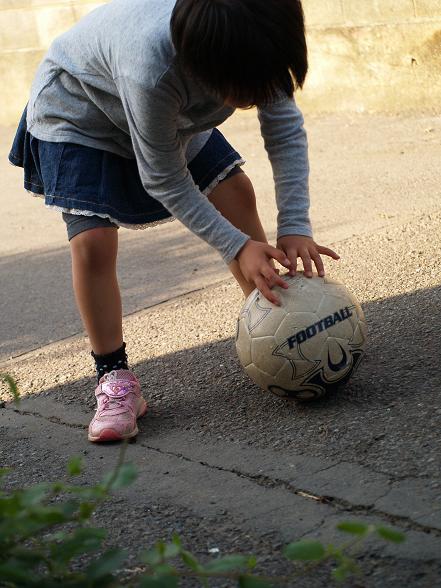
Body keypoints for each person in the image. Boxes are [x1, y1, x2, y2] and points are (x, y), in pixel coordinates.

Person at [8, 0, 339, 442]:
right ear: (205, 67)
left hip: (166, 106)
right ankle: (114, 380)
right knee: (93, 244)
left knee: (235, 193)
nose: (254, 99)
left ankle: (280, 329)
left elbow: (283, 131)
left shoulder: (257, 38)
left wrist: (295, 224)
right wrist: (236, 246)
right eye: (245, 91)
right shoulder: (153, 66)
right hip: (79, 109)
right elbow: (163, 176)